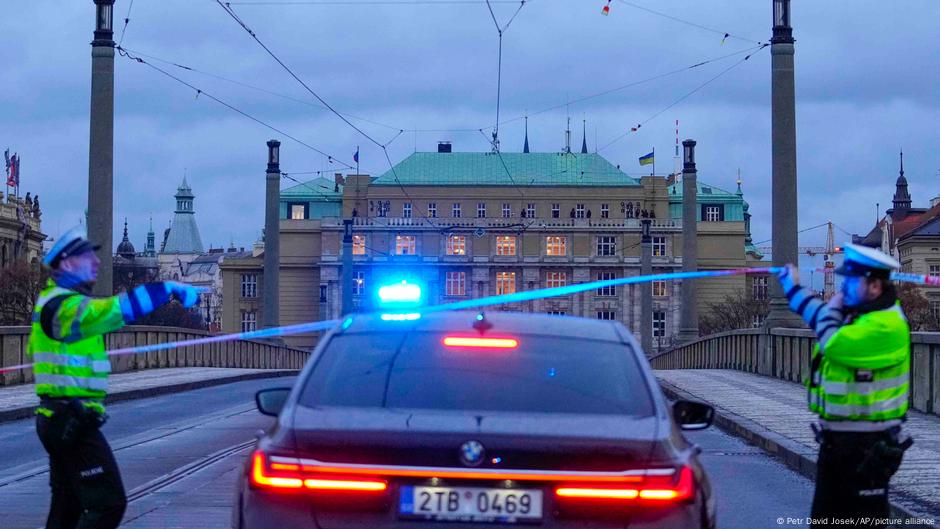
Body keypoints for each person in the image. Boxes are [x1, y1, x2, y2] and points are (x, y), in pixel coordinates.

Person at [29, 226, 200, 529]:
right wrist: (167, 289)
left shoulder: (55, 302)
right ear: (67, 264)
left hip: (62, 418)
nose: (96, 263)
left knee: (67, 507)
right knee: (108, 504)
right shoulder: (62, 308)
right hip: (69, 420)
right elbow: (114, 310)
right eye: (87, 257)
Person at [777, 244, 912, 526]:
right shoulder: (862, 315)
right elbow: (822, 318)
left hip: (867, 448)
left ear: (874, 286)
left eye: (850, 281)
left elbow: (832, 341)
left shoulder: (884, 325)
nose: (843, 288)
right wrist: (794, 289)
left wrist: (832, 304)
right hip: (840, 444)